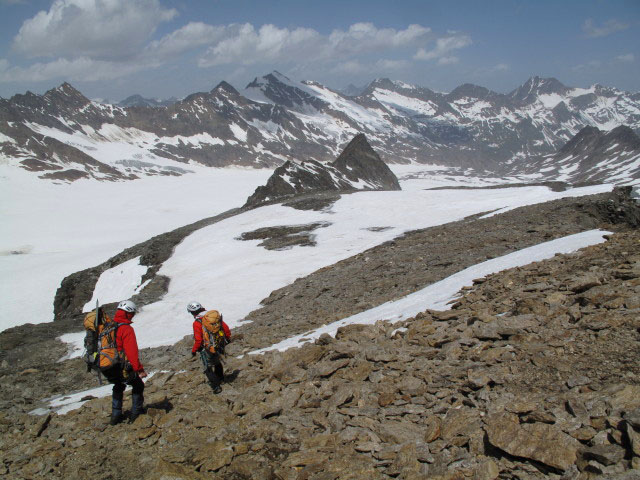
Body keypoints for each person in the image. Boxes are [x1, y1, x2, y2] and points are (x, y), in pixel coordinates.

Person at [103, 299, 147, 425]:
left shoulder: (109, 327)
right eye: (132, 313)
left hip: (109, 365)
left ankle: (115, 416)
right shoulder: (126, 329)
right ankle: (136, 414)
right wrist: (139, 369)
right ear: (128, 313)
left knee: (118, 386)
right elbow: (131, 352)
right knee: (138, 385)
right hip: (123, 365)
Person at [188, 301, 231, 394]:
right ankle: (221, 379)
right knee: (217, 362)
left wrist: (194, 350)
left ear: (192, 312)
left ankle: (216, 386)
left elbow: (198, 339)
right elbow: (225, 327)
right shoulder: (212, 316)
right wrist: (227, 338)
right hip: (218, 343)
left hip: (207, 347)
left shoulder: (197, 322)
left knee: (207, 368)